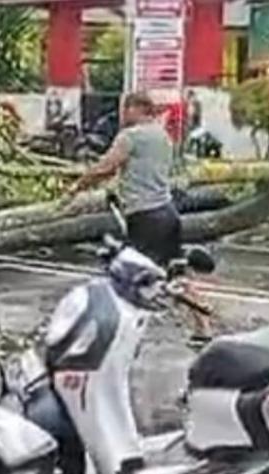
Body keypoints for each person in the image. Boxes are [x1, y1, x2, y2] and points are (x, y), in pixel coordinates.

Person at [67, 91, 212, 344]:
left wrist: (79, 185)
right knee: (177, 272)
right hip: (168, 212)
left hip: (145, 217)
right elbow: (142, 171)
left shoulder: (130, 136)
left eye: (125, 109)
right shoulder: (163, 136)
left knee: (127, 274)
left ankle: (120, 335)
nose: (122, 115)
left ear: (136, 108)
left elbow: (107, 166)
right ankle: (203, 327)